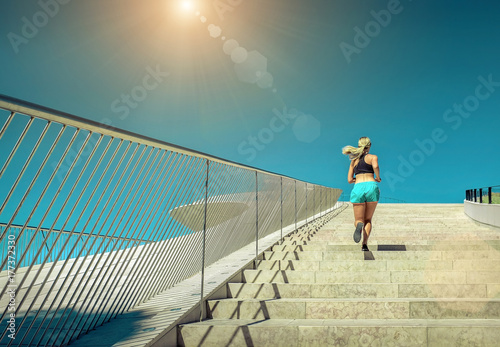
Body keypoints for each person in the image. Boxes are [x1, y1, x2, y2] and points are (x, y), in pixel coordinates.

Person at [342, 137, 381, 251]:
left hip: (358, 186)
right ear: (369, 146)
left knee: (359, 219)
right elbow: (376, 167)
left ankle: (359, 226)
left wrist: (358, 179)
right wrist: (377, 177)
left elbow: (349, 180)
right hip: (371, 186)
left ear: (359, 146)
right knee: (368, 219)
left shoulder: (354, 161)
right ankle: (364, 244)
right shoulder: (373, 157)